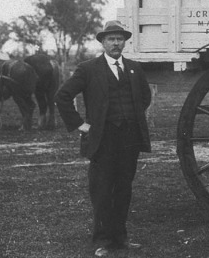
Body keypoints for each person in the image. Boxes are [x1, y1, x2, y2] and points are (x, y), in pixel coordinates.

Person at [56, 21, 152, 257]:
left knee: (123, 189)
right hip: (102, 139)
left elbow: (145, 97)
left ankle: (120, 239)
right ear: (102, 42)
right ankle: (100, 242)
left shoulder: (134, 68)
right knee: (101, 190)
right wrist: (81, 125)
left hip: (129, 139)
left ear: (125, 42)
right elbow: (63, 96)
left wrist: (131, 116)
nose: (116, 43)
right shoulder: (88, 68)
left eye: (120, 38)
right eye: (111, 39)